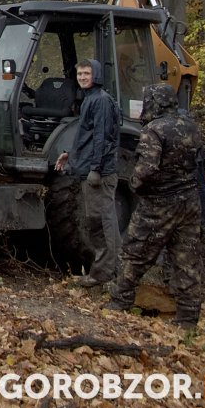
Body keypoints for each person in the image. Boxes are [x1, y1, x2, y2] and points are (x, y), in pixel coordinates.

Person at [105, 83, 205, 330]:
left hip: (159, 203)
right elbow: (200, 161)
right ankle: (187, 318)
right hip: (190, 202)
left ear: (154, 103)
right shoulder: (191, 127)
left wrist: (135, 185)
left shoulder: (154, 130)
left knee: (135, 252)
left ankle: (119, 303)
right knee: (187, 260)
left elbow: (146, 169)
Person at [54, 59, 121, 287]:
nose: (82, 77)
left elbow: (102, 137)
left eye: (87, 73)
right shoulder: (89, 100)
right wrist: (69, 155)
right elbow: (86, 136)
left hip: (99, 173)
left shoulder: (101, 101)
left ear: (97, 75)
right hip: (88, 168)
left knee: (102, 221)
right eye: (80, 73)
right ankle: (107, 271)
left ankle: (104, 274)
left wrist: (95, 169)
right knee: (96, 222)